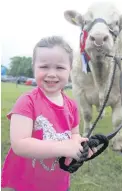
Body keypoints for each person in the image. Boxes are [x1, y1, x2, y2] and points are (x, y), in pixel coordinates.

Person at [1, 36, 95, 191]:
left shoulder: (71, 105)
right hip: (29, 184)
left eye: (60, 68)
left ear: (70, 70)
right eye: (44, 67)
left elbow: (74, 135)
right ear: (34, 67)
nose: (52, 74)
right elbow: (20, 145)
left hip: (59, 183)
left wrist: (82, 147)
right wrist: (63, 147)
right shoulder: (26, 102)